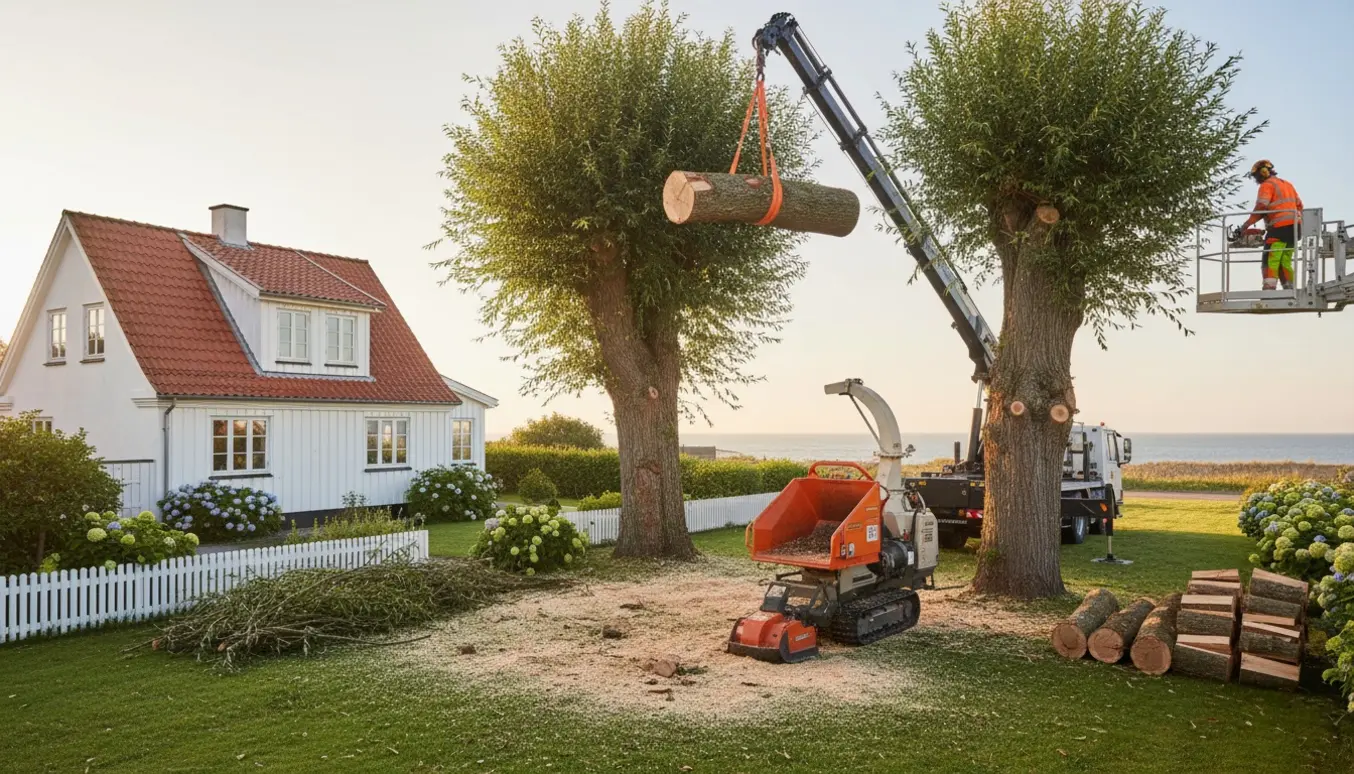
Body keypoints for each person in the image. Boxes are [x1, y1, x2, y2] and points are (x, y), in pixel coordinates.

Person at [1237, 159, 1303, 290]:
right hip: (1295, 229)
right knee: (1285, 260)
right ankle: (1289, 288)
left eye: (1256, 176)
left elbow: (1262, 206)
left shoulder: (1267, 185)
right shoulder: (1287, 184)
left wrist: (1246, 225)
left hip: (1279, 229)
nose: (1256, 179)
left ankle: (1269, 288)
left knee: (1270, 259)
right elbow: (1300, 205)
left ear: (1263, 172)